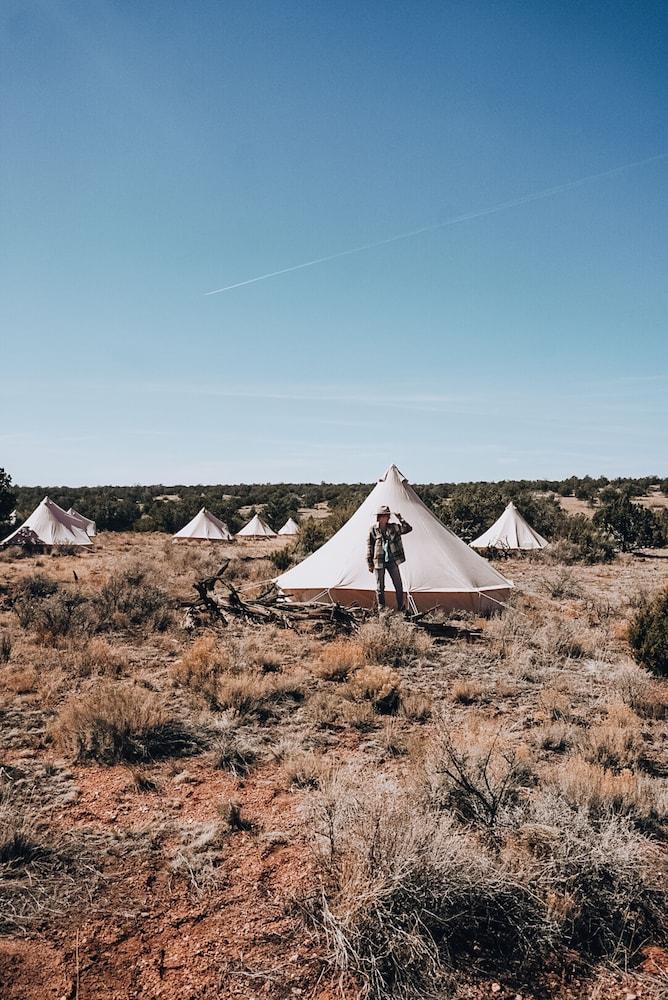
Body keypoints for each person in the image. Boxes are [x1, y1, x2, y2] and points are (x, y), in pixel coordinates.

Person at [367, 505, 412, 611]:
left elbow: (408, 529)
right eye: (383, 516)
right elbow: (370, 546)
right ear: (379, 517)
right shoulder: (373, 530)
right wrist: (370, 563)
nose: (386, 518)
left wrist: (400, 518)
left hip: (392, 560)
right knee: (380, 587)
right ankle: (381, 609)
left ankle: (401, 607)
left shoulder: (393, 527)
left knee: (398, 584)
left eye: (387, 516)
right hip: (379, 560)